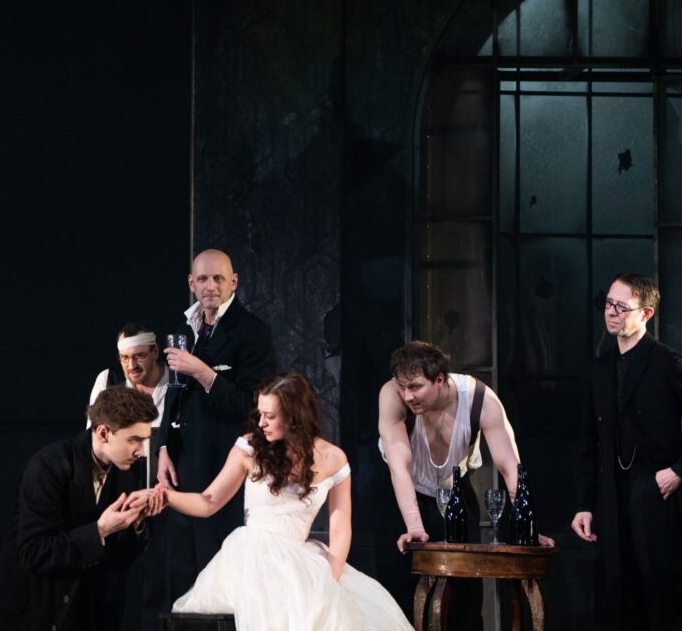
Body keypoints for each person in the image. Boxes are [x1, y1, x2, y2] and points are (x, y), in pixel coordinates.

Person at [162, 372, 412, 630]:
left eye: (270, 416)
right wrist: (167, 496)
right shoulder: (250, 447)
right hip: (251, 557)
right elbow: (208, 502)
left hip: (300, 559)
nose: (261, 423)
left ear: (295, 417)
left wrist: (329, 577)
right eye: (260, 414)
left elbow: (340, 528)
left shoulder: (333, 458)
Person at [572, 272, 682, 630]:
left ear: (646, 313)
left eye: (621, 307)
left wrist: (680, 472)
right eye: (608, 303)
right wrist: (585, 504)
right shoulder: (600, 369)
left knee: (661, 607)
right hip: (612, 501)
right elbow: (589, 443)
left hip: (658, 498)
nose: (611, 312)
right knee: (618, 606)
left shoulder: (669, 363)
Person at [376, 340, 554, 630]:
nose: (407, 395)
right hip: (403, 495)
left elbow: (510, 466)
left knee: (464, 599)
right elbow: (399, 466)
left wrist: (528, 526)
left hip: (456, 495)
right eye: (402, 386)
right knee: (400, 594)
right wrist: (415, 526)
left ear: (439, 380)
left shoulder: (479, 399)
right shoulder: (391, 395)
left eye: (416, 387)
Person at [153, 248, 277, 619]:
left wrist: (203, 372)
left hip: (223, 466)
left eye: (218, 278)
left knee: (216, 570)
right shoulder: (185, 329)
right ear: (192, 283)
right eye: (204, 279)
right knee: (179, 569)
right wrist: (163, 448)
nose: (211, 286)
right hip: (182, 464)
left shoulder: (252, 332)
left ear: (233, 282)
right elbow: (173, 394)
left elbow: (252, 406)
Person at [0, 386, 160, 630]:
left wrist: (137, 524)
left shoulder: (127, 472)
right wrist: (100, 530)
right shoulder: (48, 466)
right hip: (28, 610)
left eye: (144, 440)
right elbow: (34, 552)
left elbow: (118, 562)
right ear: (103, 433)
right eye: (134, 440)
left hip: (80, 612)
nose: (141, 450)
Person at [88, 322, 168, 485]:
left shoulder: (177, 382)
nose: (132, 365)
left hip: (167, 485)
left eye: (139, 356)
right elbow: (94, 440)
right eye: (125, 358)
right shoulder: (108, 381)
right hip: (120, 484)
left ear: (155, 352)